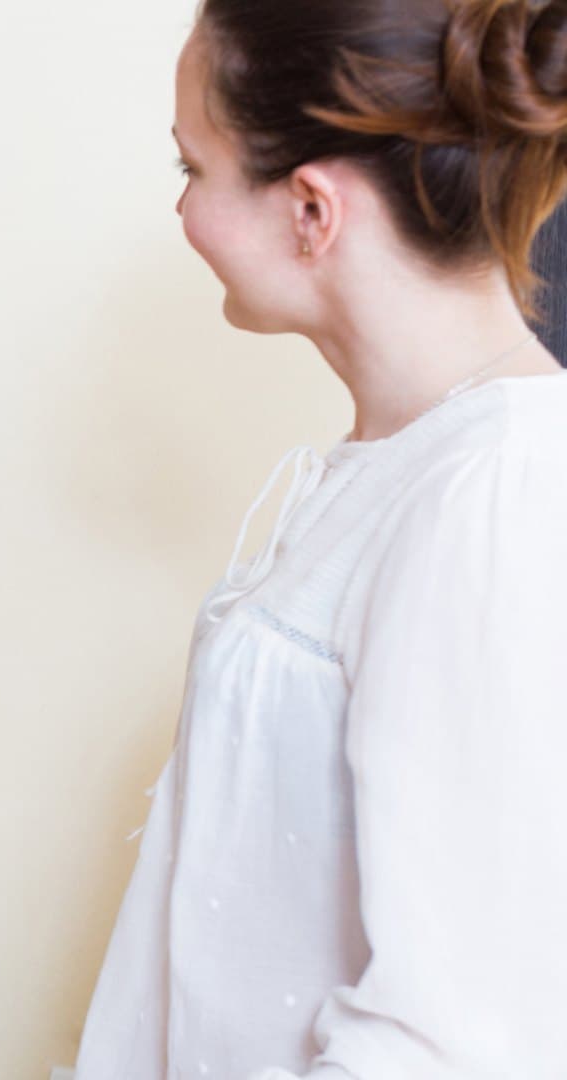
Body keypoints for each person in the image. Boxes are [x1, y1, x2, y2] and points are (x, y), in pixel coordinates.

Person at [76, 1, 567, 1076]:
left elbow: (453, 1035)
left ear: (309, 208)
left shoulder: (496, 492)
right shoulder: (395, 465)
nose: (185, 211)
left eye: (192, 167)